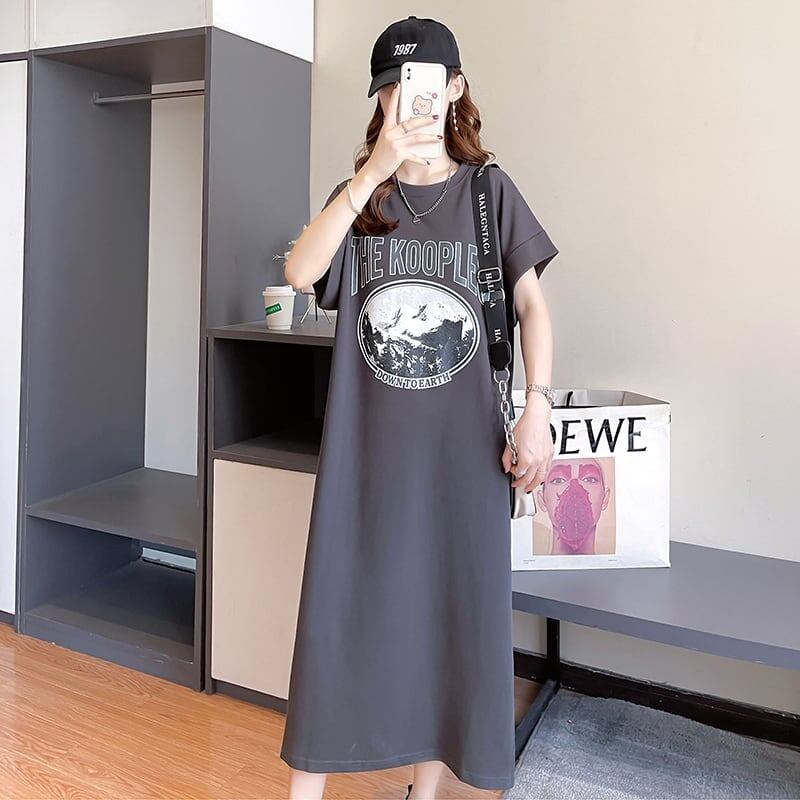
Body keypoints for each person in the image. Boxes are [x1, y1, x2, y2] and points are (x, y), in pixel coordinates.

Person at [281, 15, 560, 800]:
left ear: (456, 89)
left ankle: (422, 792)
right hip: (365, 459)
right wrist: (371, 173)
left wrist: (537, 407)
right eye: (393, 89)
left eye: (426, 86)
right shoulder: (361, 199)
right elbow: (301, 273)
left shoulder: (489, 194)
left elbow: (531, 308)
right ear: (380, 98)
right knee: (337, 624)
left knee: (447, 627)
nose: (410, 103)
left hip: (462, 459)